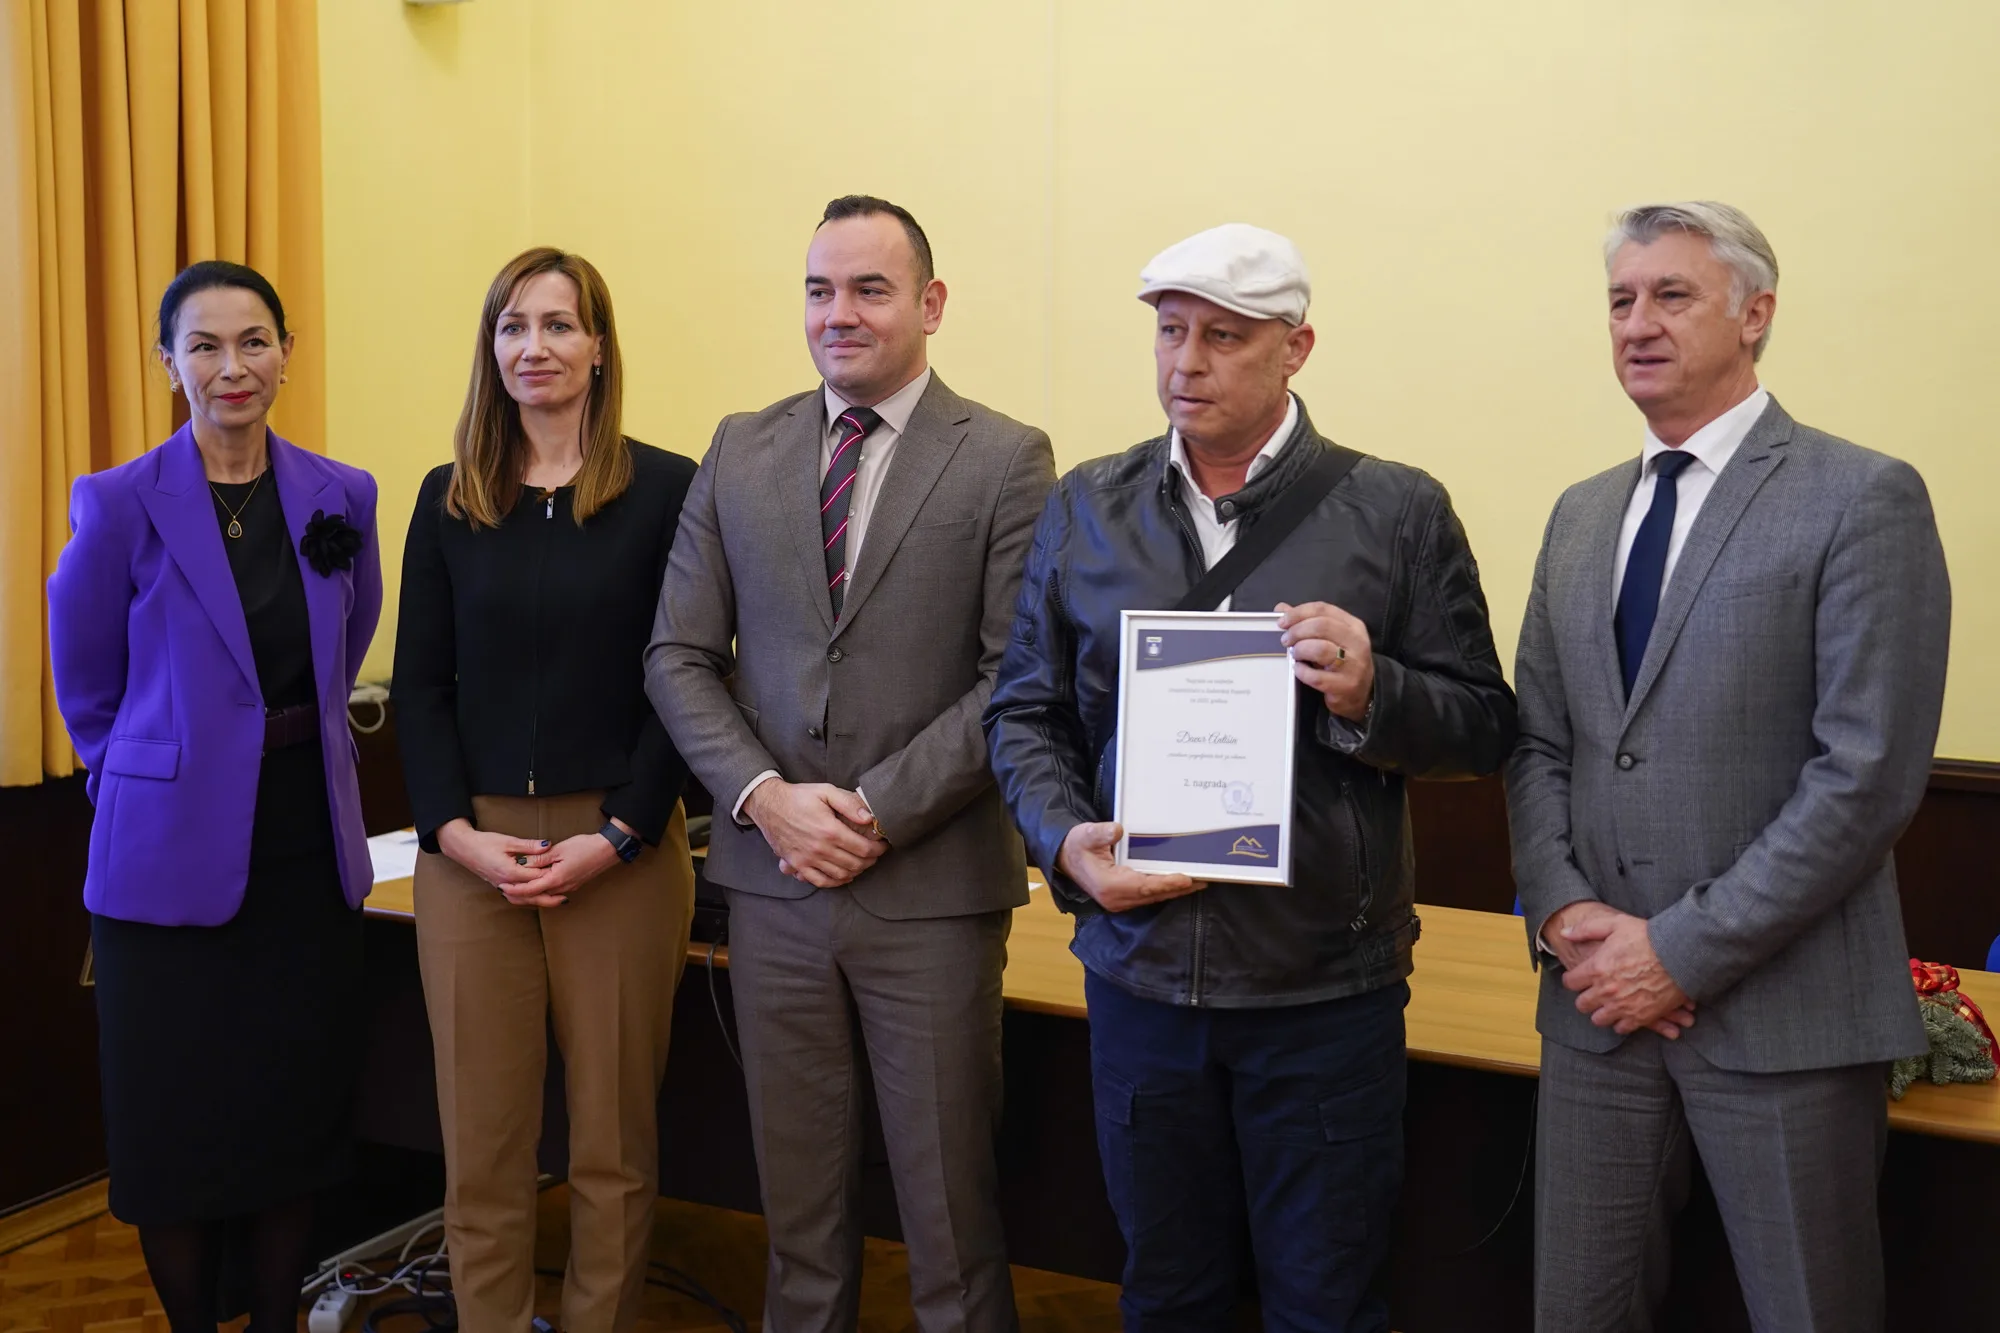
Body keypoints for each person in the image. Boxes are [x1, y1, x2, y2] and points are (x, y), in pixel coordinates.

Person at [984, 224, 1517, 1331]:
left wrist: (1372, 690)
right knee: (1166, 1294)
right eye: (1170, 332)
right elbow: (1024, 710)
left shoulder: (1397, 510)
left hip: (1320, 992)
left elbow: (1481, 727)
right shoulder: (1087, 504)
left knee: (1325, 1303)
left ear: (1296, 347)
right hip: (1138, 979)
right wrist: (1065, 842)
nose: (1187, 362)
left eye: (1223, 337)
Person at [1507, 201, 1952, 1332]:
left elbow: (1863, 779)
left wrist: (1677, 952)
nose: (1636, 323)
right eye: (1620, 300)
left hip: (1785, 1018)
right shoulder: (1579, 515)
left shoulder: (1860, 495)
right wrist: (1562, 911)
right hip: (1595, 1012)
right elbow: (1540, 741)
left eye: (1672, 295)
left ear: (1754, 315)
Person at [646, 195, 1055, 1333]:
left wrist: (873, 810)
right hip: (773, 888)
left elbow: (1015, 677)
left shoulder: (1006, 458)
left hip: (929, 893)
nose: (840, 313)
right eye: (820, 290)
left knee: (950, 1225)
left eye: (870, 289)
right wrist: (767, 799)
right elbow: (677, 655)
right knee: (798, 1225)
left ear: (931, 303)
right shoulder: (740, 447)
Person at [47, 261, 382, 1333]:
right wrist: (141, 776)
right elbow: (84, 679)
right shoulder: (117, 502)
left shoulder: (343, 494)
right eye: (204, 345)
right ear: (168, 364)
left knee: (290, 1122)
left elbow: (352, 633)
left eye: (253, 341)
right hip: (161, 867)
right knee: (174, 1135)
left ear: (287, 354)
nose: (231, 366)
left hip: (302, 852)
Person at [392, 247, 698, 1333]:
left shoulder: (668, 490)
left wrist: (621, 832)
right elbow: (420, 687)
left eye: (559, 324)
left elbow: (686, 677)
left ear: (599, 347)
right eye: (513, 326)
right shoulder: (447, 499)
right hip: (471, 856)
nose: (535, 347)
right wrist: (452, 833)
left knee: (612, 1146)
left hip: (618, 848)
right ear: (492, 348)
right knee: (482, 1145)